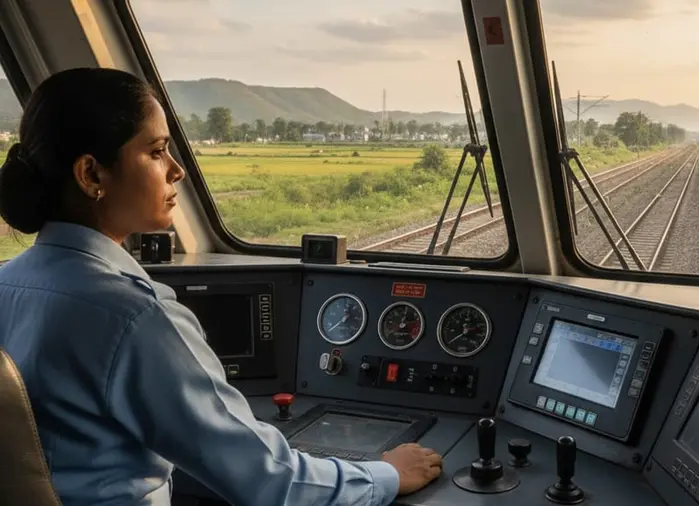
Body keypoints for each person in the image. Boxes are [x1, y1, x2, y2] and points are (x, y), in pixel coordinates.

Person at [0, 67, 442, 505]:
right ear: (91, 174)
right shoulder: (134, 316)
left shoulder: (6, 283)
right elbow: (271, 482)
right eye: (156, 151)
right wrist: (386, 475)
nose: (177, 171)